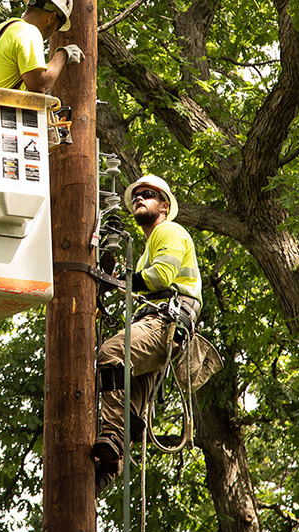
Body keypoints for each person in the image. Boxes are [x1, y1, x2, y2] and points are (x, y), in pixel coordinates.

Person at [91, 174, 216, 492]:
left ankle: (112, 436)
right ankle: (110, 463)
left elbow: (161, 277)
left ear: (164, 205)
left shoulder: (169, 231)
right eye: (136, 195)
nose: (138, 199)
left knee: (110, 353)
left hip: (165, 323)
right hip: (156, 325)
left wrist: (123, 280)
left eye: (147, 195)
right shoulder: (149, 247)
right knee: (129, 400)